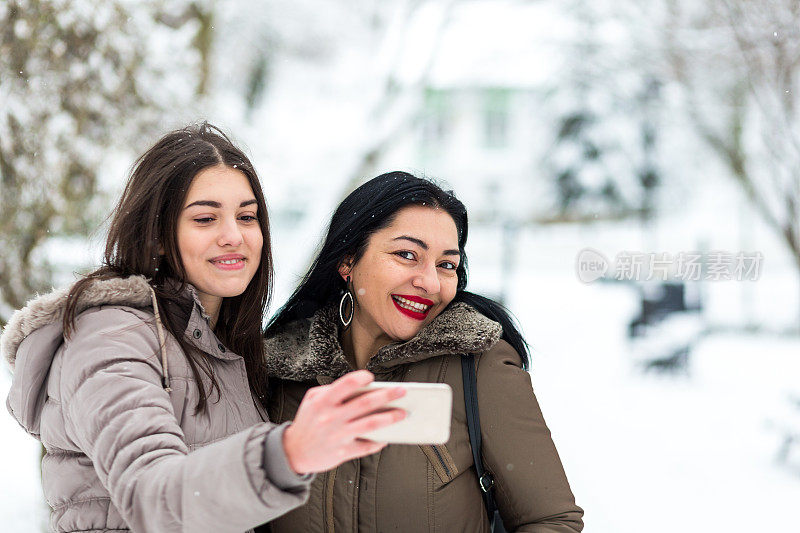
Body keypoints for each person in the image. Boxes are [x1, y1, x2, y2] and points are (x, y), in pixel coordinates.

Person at [2, 123, 406, 533]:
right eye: (205, 218)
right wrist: (288, 451)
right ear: (158, 235)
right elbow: (153, 498)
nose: (233, 236)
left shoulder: (220, 345)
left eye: (246, 217)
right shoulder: (110, 336)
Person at [262, 171, 584, 532]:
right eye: (407, 255)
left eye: (447, 264)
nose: (430, 283)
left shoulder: (479, 366)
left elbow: (553, 521)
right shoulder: (278, 372)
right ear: (347, 260)